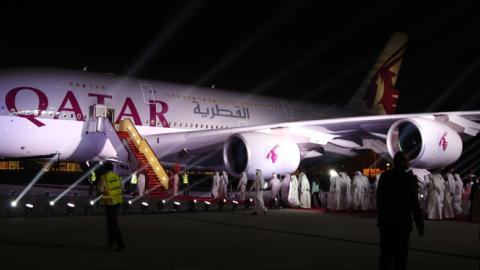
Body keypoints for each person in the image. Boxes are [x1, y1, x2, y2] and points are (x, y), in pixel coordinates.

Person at [376, 152, 424, 270]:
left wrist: (382, 218)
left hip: (386, 223)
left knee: (385, 255)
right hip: (402, 223)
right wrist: (420, 224)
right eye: (407, 160)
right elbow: (414, 203)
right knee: (400, 257)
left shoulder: (384, 176)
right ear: (402, 162)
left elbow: (379, 199)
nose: (409, 163)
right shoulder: (409, 179)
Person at [98, 162, 125, 252]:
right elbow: (122, 188)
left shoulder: (103, 177)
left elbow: (100, 190)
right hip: (118, 202)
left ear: (105, 168)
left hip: (109, 203)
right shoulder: (117, 176)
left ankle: (120, 244)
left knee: (113, 224)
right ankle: (111, 242)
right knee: (110, 223)